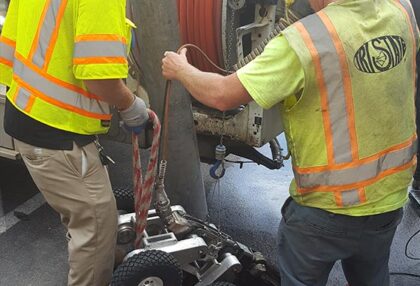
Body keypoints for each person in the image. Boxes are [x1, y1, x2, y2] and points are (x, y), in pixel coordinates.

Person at [162, 0, 419, 285]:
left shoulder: (305, 41)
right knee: (372, 278)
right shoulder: (401, 9)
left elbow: (223, 95)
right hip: (388, 199)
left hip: (325, 209)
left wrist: (180, 69)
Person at [0, 0, 149, 285]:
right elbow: (100, 81)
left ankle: (109, 260)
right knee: (94, 227)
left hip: (26, 110)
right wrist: (131, 106)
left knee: (88, 213)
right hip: (57, 129)